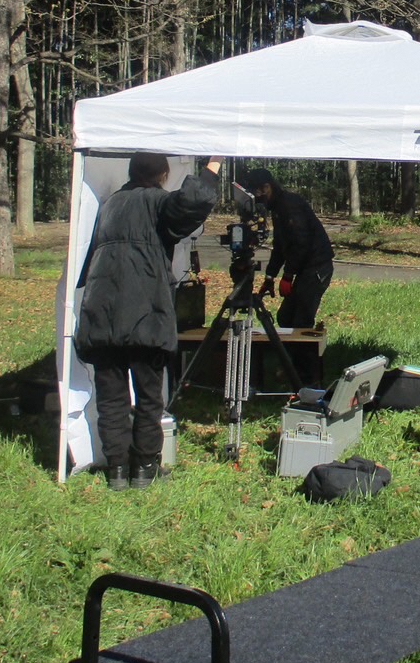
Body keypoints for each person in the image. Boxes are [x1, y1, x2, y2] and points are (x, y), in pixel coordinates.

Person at [75, 152, 222, 490]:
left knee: (110, 396)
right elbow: (191, 203)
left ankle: (116, 470)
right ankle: (143, 467)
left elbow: (90, 260)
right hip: (143, 311)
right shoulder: (158, 203)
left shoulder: (111, 204)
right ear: (163, 174)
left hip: (102, 311)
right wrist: (212, 167)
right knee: (148, 395)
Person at [245, 167, 333, 330]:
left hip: (316, 267)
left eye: (257, 193)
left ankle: (304, 355)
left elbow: (301, 243)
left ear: (266, 187)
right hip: (304, 268)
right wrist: (270, 277)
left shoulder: (289, 205)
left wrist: (287, 275)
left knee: (301, 321)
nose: (257, 199)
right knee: (285, 317)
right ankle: (290, 353)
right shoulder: (278, 208)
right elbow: (280, 246)